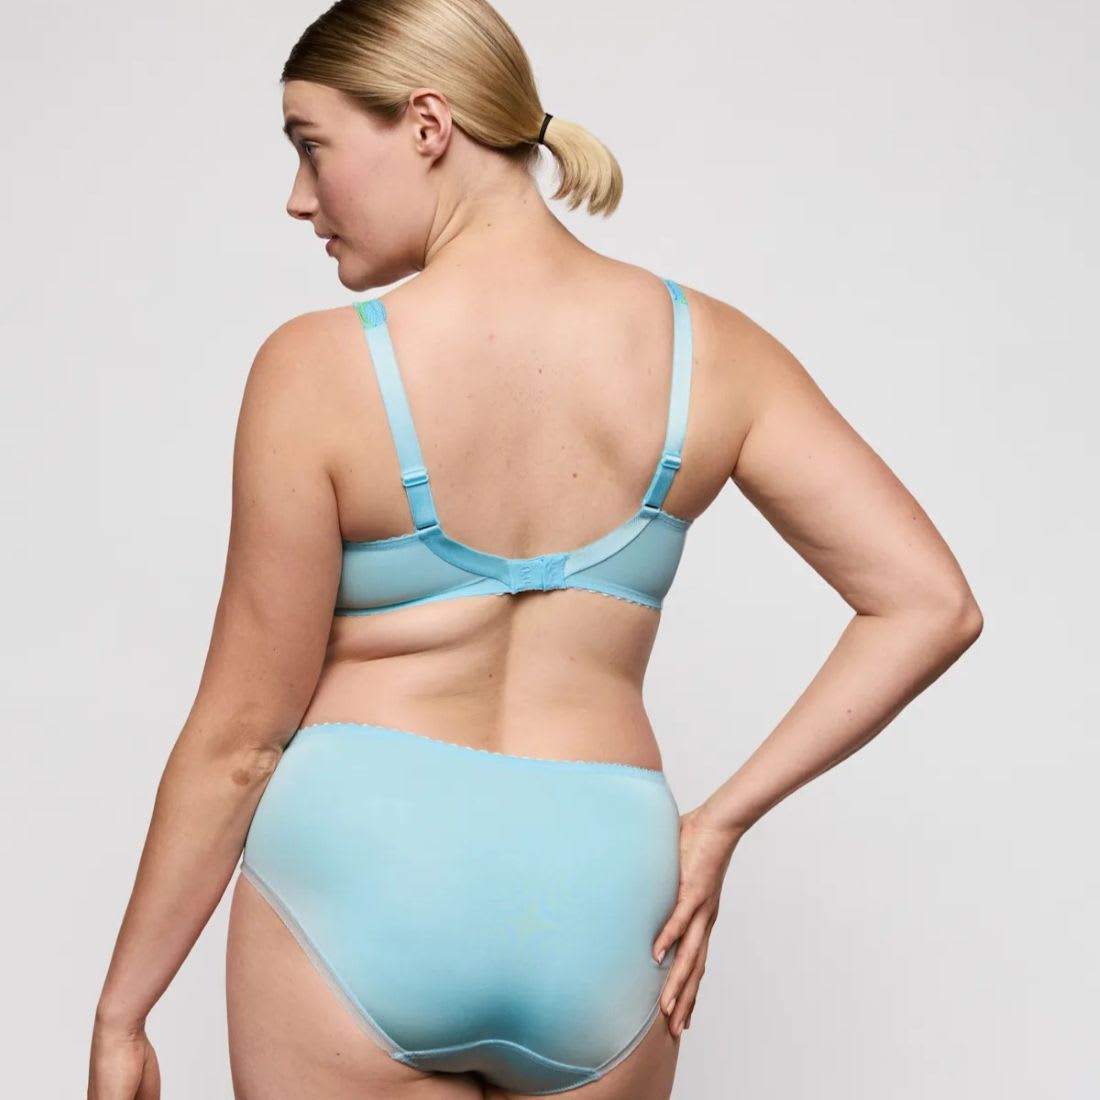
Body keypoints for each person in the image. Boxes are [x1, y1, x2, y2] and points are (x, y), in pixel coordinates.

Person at [86, 1, 983, 1098]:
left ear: (427, 124)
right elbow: (929, 603)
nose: (298, 197)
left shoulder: (315, 371)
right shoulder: (712, 353)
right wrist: (719, 821)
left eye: (311, 146)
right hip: (606, 905)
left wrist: (124, 1009)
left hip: (364, 875)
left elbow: (241, 740)